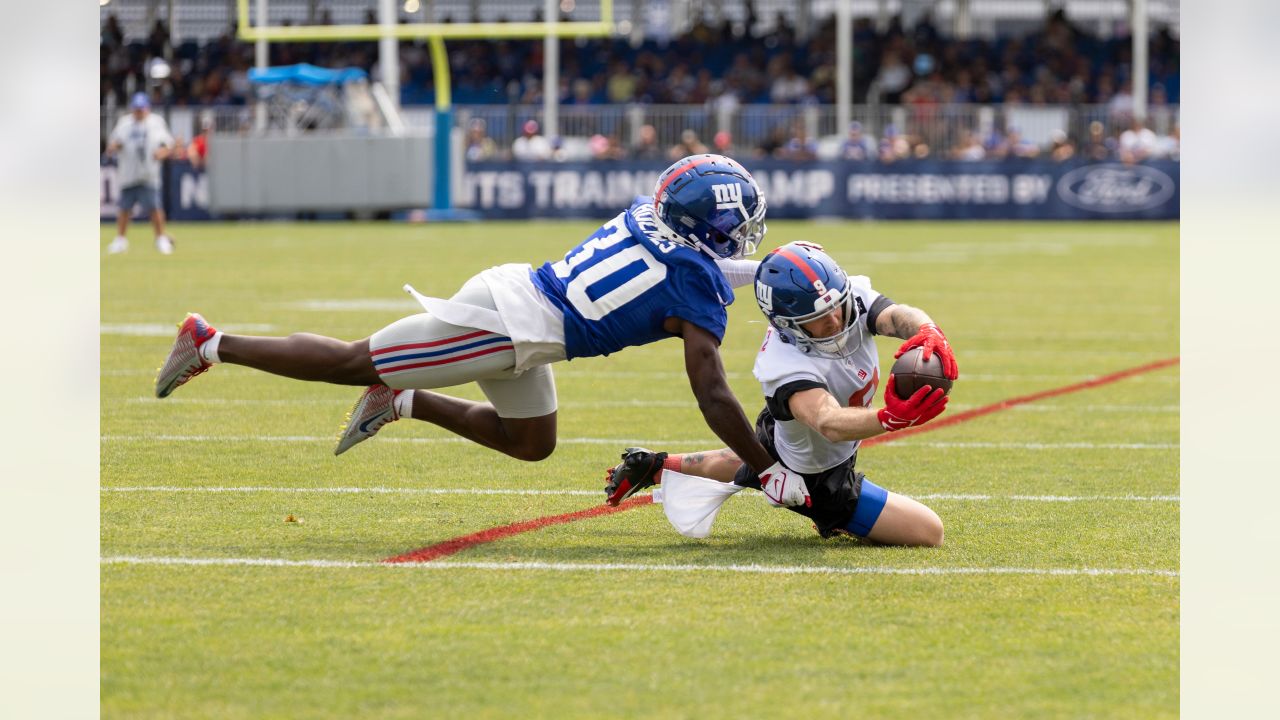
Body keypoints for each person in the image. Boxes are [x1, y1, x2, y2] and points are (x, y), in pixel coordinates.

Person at [154, 155, 807, 501]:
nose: (739, 238)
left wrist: (758, 270)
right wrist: (767, 469)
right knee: (351, 361)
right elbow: (713, 392)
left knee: (531, 443)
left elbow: (693, 271)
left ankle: (404, 400)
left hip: (525, 312)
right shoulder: (693, 279)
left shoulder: (650, 216)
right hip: (508, 324)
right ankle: (211, 342)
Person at [604, 241, 957, 546]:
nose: (834, 319)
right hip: (817, 476)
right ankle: (825, 513)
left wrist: (928, 331)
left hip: (783, 436)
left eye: (835, 306)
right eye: (817, 318)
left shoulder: (840, 297)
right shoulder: (784, 364)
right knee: (929, 531)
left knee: (756, 459)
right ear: (786, 323)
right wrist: (889, 418)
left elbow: (895, 316)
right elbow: (828, 421)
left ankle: (657, 466)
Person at [105, 92, 176, 254]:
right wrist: (114, 147)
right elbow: (114, 143)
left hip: (149, 174)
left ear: (147, 108)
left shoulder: (156, 122)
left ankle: (160, 239)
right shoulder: (124, 124)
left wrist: (161, 153)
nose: (139, 112)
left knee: (155, 208)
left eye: (141, 109)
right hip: (128, 173)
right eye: (136, 109)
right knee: (124, 209)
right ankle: (121, 240)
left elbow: (169, 146)